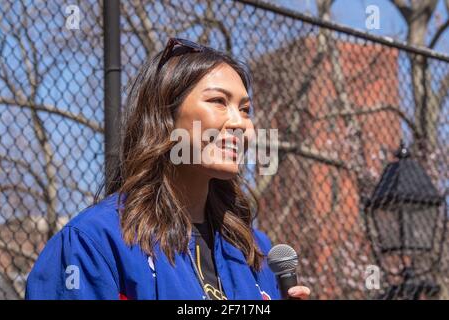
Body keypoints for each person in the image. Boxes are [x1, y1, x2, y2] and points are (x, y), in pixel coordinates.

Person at [25, 38, 310, 300]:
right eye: (218, 102)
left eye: (245, 109)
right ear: (165, 116)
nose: (240, 123)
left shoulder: (254, 250)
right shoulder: (94, 241)